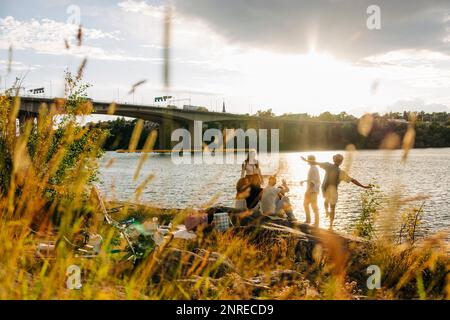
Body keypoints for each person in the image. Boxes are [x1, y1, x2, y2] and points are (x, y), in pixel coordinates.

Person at [301, 154, 371, 230]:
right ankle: (330, 225)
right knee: (332, 208)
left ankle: (327, 214)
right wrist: (363, 186)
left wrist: (306, 160)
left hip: (326, 190)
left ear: (334, 160)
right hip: (333, 191)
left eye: (338, 160)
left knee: (327, 203)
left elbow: (315, 162)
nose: (338, 161)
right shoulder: (340, 172)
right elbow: (353, 180)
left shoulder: (329, 166)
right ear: (340, 162)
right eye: (339, 160)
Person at [300, 155, 320, 226]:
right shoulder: (314, 168)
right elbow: (312, 179)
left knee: (312, 206)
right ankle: (310, 221)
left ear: (310, 160)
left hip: (312, 190)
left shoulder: (313, 168)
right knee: (308, 205)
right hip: (313, 190)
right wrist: (304, 181)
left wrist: (308, 191)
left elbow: (312, 182)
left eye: (308, 159)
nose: (307, 161)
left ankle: (313, 222)